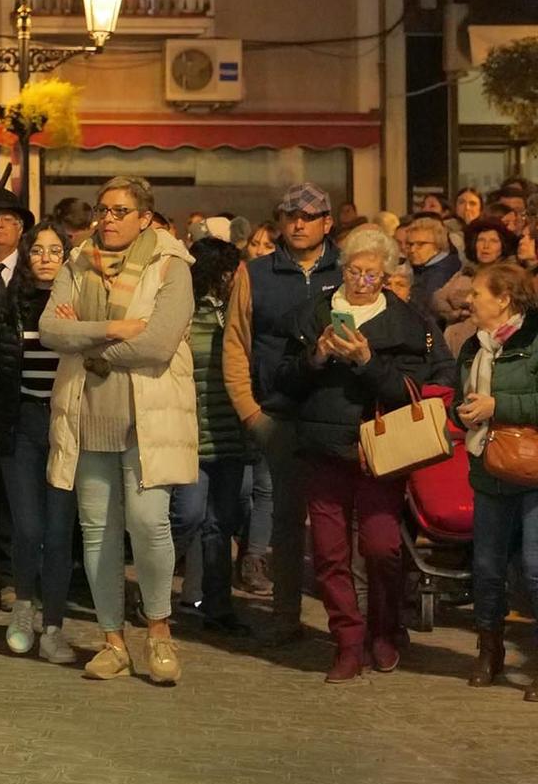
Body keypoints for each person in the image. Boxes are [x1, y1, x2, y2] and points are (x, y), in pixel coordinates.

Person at [271, 225, 450, 682]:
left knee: (382, 547)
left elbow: (408, 391)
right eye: (354, 270)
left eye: (372, 274)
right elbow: (284, 379)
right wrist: (315, 357)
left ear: (387, 275)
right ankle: (347, 641)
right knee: (330, 554)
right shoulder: (314, 312)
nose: (361, 280)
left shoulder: (408, 322)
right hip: (322, 447)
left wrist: (368, 362)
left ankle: (385, 629)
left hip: (381, 450)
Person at [40, 175, 197, 686]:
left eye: (120, 211)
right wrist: (111, 328)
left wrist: (83, 341)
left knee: (150, 524)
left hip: (148, 417)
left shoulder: (171, 266)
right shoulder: (76, 260)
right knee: (97, 532)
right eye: (102, 209)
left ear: (145, 218)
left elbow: (157, 344)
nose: (107, 219)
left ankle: (158, 631)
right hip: (87, 416)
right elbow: (49, 330)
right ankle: (112, 640)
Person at [222, 181, 340, 645]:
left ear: (327, 223)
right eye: (291, 215)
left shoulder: (349, 268)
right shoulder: (255, 273)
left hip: (338, 413)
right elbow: (236, 345)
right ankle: (286, 614)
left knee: (339, 524)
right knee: (286, 522)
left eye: (308, 217)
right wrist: (251, 412)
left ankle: (348, 622)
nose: (298, 223)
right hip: (278, 413)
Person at [0, 218, 76, 664]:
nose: (45, 259)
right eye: (38, 250)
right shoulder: (7, 304)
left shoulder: (79, 301)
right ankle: (22, 611)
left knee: (58, 533)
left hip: (67, 425)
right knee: (28, 527)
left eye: (55, 251)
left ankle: (53, 626)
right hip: (21, 423)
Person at [454, 260, 538, 701]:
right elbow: (458, 397)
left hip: (533, 468)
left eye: (478, 294)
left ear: (503, 299)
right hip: (487, 467)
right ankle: (489, 650)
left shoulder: (535, 339)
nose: (469, 300)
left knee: (535, 568)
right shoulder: (473, 347)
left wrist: (497, 405)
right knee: (486, 569)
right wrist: (462, 411)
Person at [169, 236, 253, 637]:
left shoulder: (239, 313)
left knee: (222, 523)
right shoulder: (185, 314)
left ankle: (218, 606)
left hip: (230, 436)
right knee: (187, 516)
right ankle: (152, 593)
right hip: (191, 433)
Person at [434, 216, 513, 355]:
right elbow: (437, 298)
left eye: (493, 241)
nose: (486, 246)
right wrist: (455, 313)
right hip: (453, 340)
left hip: (486, 342)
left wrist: (462, 301)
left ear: (502, 246)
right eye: (481, 240)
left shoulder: (507, 275)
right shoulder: (465, 271)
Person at [400, 214, 461, 302]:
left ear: (438, 245)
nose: (412, 250)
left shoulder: (440, 276)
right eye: (410, 244)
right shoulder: (421, 268)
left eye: (420, 244)